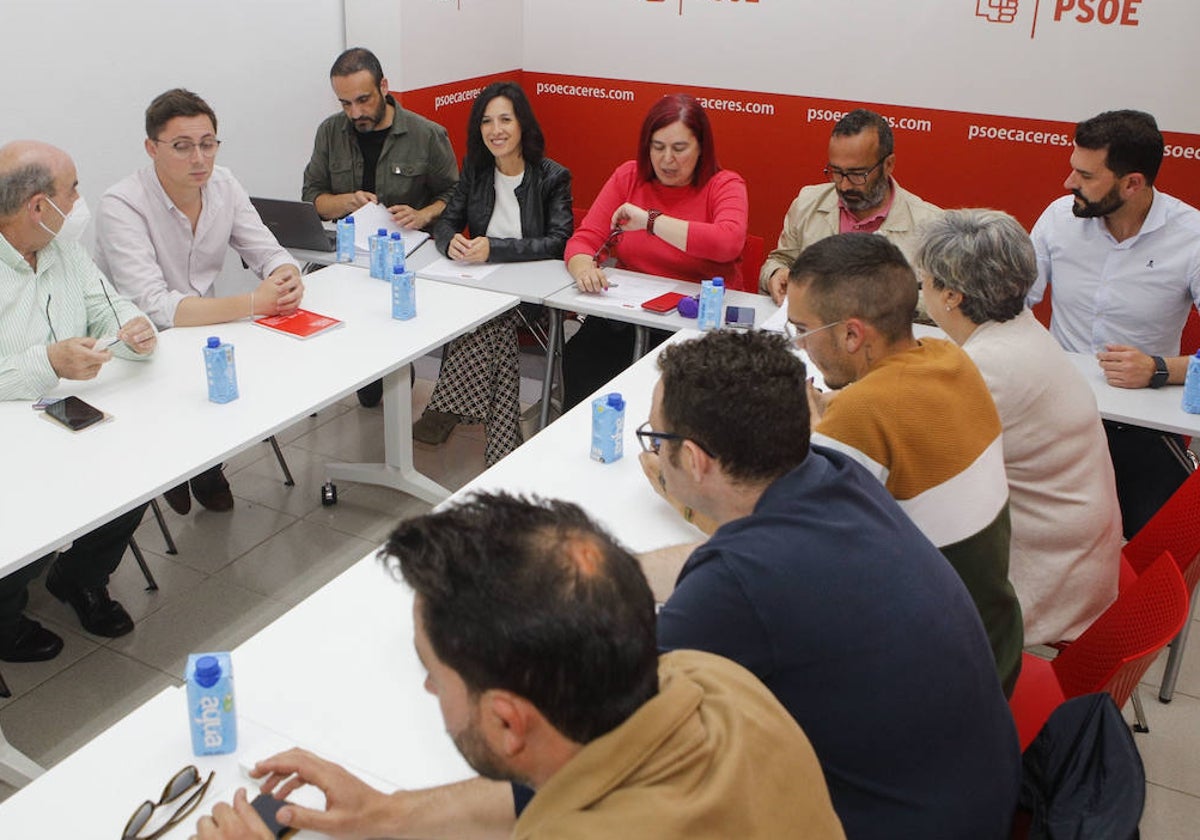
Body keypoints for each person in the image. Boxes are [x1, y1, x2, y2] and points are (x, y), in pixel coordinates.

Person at [191, 494, 845, 839]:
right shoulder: (715, 683)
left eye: (433, 671)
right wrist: (384, 813)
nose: (424, 685)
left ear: (507, 721)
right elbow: (550, 786)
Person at [635, 330, 1021, 839]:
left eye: (657, 441)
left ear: (694, 459)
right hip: (973, 794)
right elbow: (734, 565)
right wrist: (614, 574)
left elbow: (619, 734)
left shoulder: (741, 584)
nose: (654, 454)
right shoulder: (835, 475)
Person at [789, 233, 1023, 696]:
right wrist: (830, 412)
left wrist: (683, 494)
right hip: (996, 642)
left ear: (852, 334)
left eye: (802, 330)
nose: (799, 345)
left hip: (939, 685)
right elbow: (885, 405)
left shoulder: (863, 416)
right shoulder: (947, 358)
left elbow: (786, 553)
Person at [915, 209, 1122, 645]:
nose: (922, 289)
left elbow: (913, 465)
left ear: (951, 295)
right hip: (1073, 549)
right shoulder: (1022, 333)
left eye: (925, 280)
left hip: (1046, 575)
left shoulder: (991, 366)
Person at [95, 88, 305, 514]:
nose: (199, 159)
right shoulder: (122, 204)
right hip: (138, 345)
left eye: (207, 145)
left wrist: (286, 276)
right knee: (193, 397)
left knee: (256, 379)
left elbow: (267, 250)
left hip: (203, 328)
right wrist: (254, 303)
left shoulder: (223, 183)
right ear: (151, 148)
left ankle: (204, 463)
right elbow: (154, 307)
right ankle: (179, 463)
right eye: (182, 147)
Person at [0, 141, 158, 659]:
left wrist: (132, 330)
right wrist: (48, 362)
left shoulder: (65, 249)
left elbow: (107, 305)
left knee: (139, 474)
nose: (79, 201)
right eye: (72, 191)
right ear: (38, 207)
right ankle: (5, 618)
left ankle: (80, 577)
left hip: (68, 414)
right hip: (10, 440)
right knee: (25, 522)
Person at [1028, 109, 1200, 538]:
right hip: (1055, 412)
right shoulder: (1058, 218)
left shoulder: (1191, 236)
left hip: (1141, 427)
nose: (1069, 184)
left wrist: (1159, 369)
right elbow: (1010, 301)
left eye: (1086, 176)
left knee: (1168, 540)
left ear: (1132, 183)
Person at [415, 81, 573, 464]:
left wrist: (496, 249)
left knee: (491, 321)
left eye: (505, 119)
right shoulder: (476, 169)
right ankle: (503, 443)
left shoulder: (552, 176)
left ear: (523, 126)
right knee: (488, 317)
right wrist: (449, 239)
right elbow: (446, 221)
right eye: (487, 121)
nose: (496, 130)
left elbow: (558, 241)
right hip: (479, 285)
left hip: (532, 292)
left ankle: (447, 408)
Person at [561, 93, 747, 408]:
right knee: (582, 356)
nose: (666, 160)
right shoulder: (629, 177)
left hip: (698, 322)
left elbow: (727, 242)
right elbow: (585, 239)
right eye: (657, 147)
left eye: (679, 148)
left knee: (674, 390)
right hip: (634, 315)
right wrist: (584, 269)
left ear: (702, 148)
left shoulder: (724, 184)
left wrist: (650, 221)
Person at [304, 46, 459, 408]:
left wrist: (424, 215)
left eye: (363, 100)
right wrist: (346, 202)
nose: (355, 113)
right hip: (349, 259)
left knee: (395, 359)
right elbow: (312, 197)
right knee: (370, 394)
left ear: (384, 87)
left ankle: (404, 371)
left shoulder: (426, 135)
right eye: (345, 103)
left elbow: (456, 195)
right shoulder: (330, 133)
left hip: (408, 261)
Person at [759, 108, 942, 306]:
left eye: (858, 174)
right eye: (836, 172)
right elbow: (779, 261)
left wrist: (884, 302)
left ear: (888, 165)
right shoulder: (807, 204)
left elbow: (950, 301)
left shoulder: (930, 225)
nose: (844, 185)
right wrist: (775, 274)